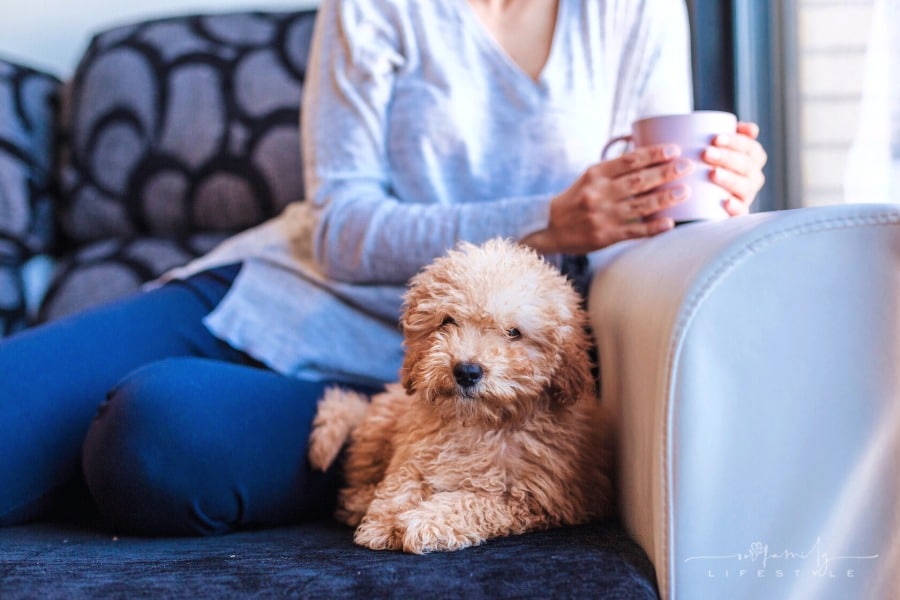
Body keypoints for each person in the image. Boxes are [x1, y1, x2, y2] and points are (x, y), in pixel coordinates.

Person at [0, 0, 767, 535]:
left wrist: (713, 199)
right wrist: (551, 219)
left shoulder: (632, 10)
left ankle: (403, 459)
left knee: (155, 440)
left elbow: (653, 214)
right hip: (280, 293)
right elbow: (340, 230)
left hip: (447, 378)